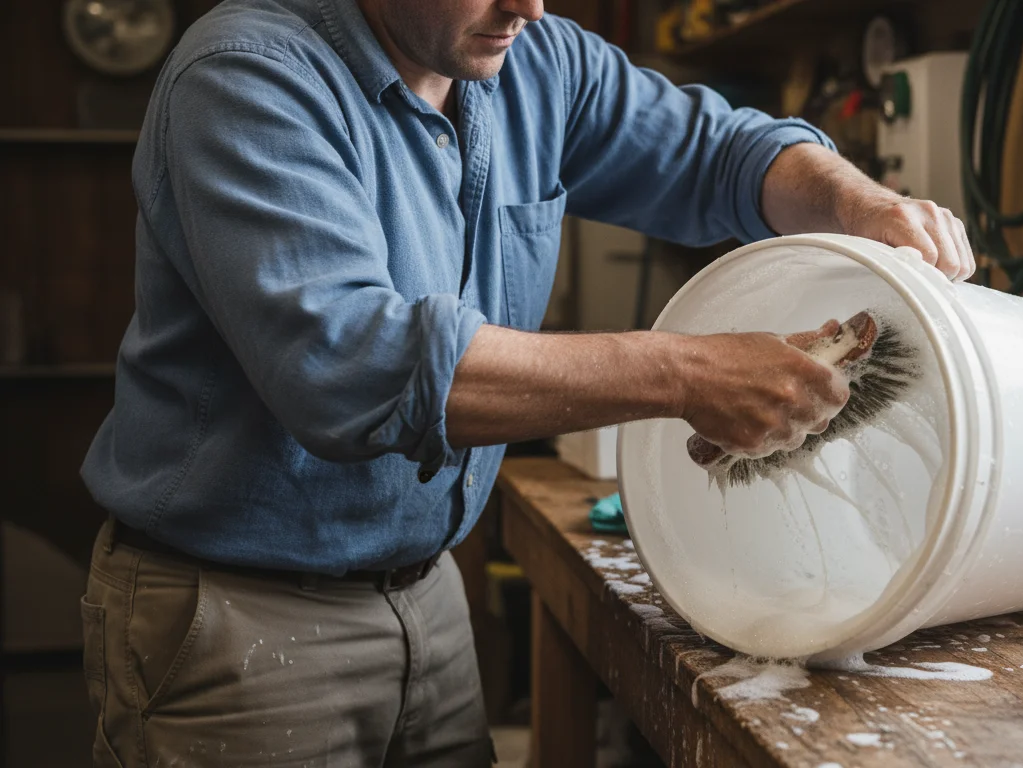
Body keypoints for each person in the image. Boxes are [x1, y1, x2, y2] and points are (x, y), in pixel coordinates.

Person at [76, 0, 975, 764]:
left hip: (429, 597)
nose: (531, 5)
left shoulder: (534, 60)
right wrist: (685, 370)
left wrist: (858, 202)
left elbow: (724, 155)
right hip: (235, 620)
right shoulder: (244, 77)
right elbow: (350, 366)